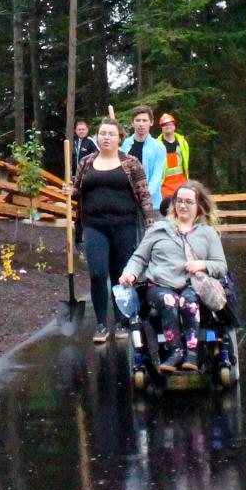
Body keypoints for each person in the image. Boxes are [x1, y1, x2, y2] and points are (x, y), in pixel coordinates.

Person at [120, 180, 227, 372]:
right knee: (169, 299)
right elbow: (139, 258)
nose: (182, 205)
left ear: (199, 206)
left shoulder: (207, 234)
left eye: (188, 202)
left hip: (191, 285)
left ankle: (192, 354)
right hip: (160, 286)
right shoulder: (158, 230)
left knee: (189, 300)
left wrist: (203, 264)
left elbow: (221, 266)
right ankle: (175, 352)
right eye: (179, 201)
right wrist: (129, 273)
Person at [72, 119, 155, 343]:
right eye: (102, 133)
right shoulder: (86, 163)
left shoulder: (130, 163)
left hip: (124, 225)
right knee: (98, 273)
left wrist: (150, 222)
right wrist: (67, 190)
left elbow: (144, 194)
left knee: (121, 275)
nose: (106, 137)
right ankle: (100, 324)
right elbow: (76, 192)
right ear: (97, 137)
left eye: (111, 134)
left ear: (119, 138)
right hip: (94, 226)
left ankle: (121, 320)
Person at [122, 104, 167, 206]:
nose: (141, 124)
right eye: (137, 120)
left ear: (151, 122)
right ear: (132, 123)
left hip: (151, 203)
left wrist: (145, 195)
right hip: (128, 201)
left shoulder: (159, 147)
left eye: (144, 120)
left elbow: (157, 176)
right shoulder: (125, 144)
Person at [156, 112, 192, 212]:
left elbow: (186, 161)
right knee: (169, 211)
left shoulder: (183, 142)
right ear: (161, 127)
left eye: (170, 124)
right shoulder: (156, 145)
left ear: (174, 126)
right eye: (164, 125)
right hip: (165, 185)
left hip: (182, 182)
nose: (167, 126)